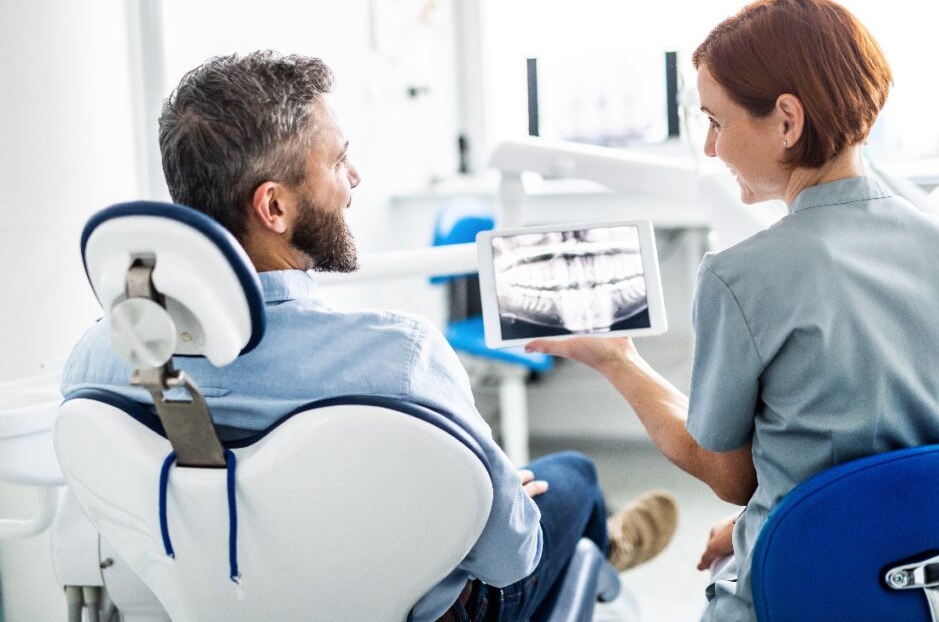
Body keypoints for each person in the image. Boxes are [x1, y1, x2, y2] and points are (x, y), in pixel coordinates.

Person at [62, 51, 679, 622]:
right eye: (336, 161)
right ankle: (607, 548)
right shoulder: (400, 359)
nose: (354, 176)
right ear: (273, 208)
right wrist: (499, 498)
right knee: (571, 479)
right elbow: (507, 559)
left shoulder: (98, 362)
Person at [526, 0, 939, 621]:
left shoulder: (741, 277)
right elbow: (899, 454)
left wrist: (618, 361)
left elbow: (728, 476)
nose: (710, 150)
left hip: (814, 592)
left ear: (787, 121)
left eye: (716, 122)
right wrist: (763, 524)